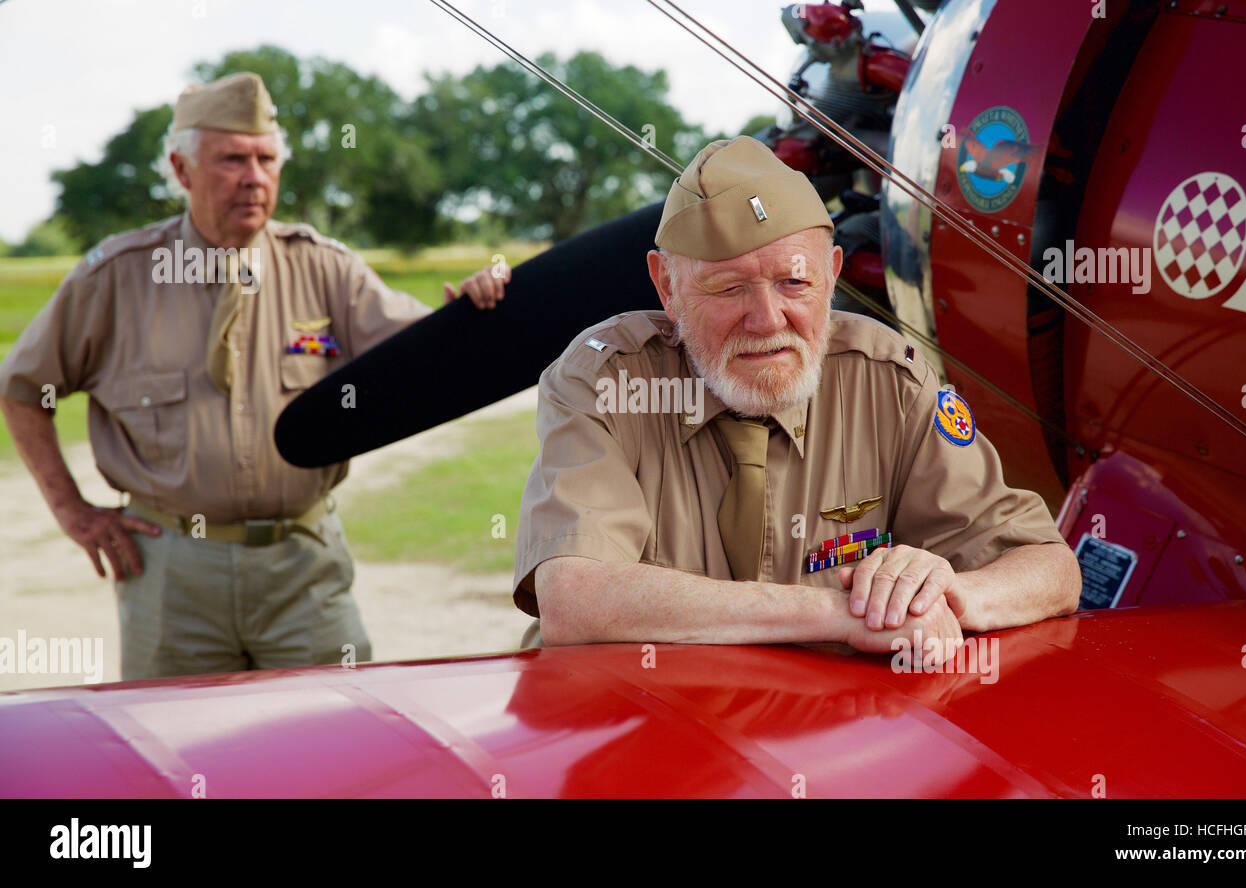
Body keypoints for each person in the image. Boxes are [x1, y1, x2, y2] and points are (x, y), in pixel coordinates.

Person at [0, 72, 500, 680]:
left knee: (323, 747)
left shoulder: (327, 269)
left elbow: (425, 352)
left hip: (302, 570)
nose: (254, 178)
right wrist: (73, 511)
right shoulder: (114, 279)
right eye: (232, 160)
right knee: (175, 751)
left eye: (266, 159)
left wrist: (473, 310)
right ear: (182, 170)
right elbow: (22, 388)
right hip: (172, 576)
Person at [511, 136, 1080, 659]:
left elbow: (1052, 568)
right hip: (645, 730)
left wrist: (945, 593)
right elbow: (575, 598)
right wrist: (842, 614)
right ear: (667, 286)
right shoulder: (608, 382)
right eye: (728, 288)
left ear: (832, 276)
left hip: (819, 742)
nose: (766, 320)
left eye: (795, 283)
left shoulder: (888, 380)